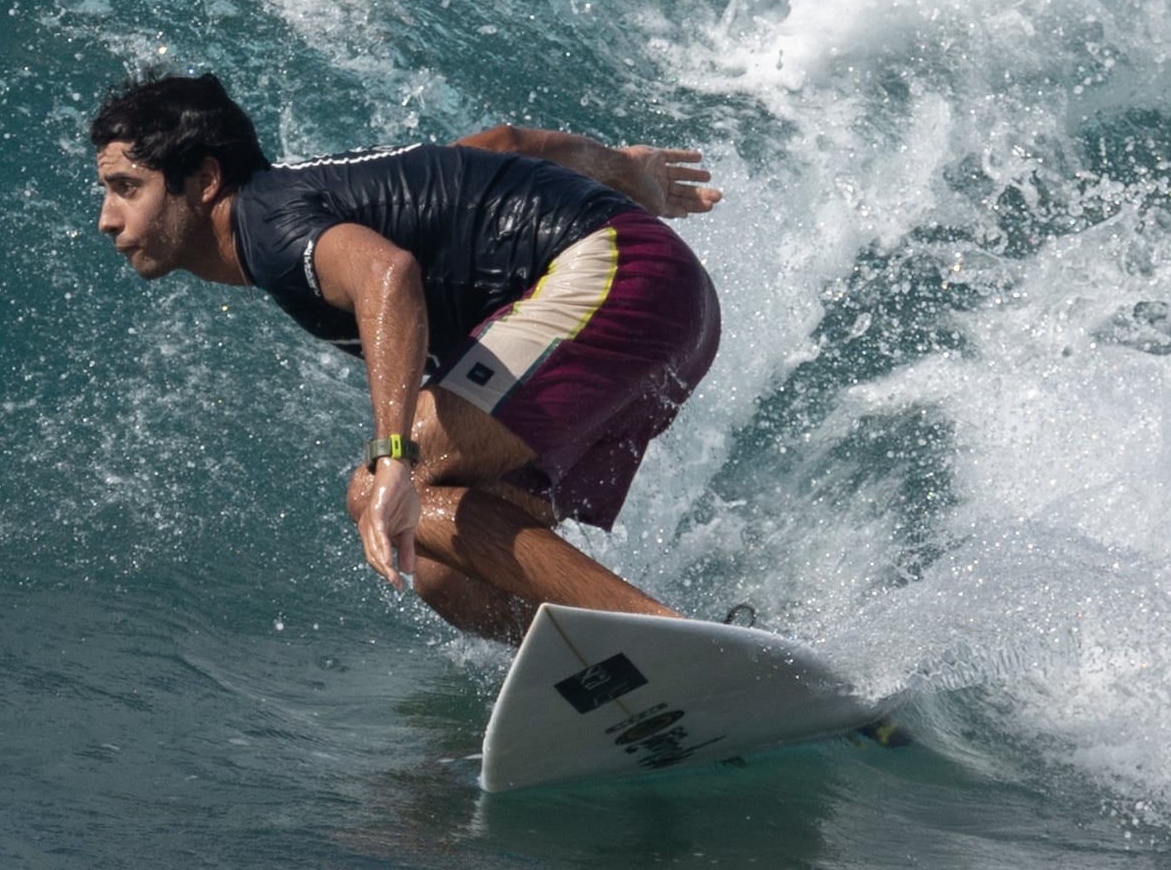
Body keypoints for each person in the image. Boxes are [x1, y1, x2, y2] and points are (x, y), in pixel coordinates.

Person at [88, 72, 723, 643]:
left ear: (204, 181)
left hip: (620, 278)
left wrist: (395, 459)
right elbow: (503, 145)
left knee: (381, 489)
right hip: (669, 300)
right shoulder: (317, 194)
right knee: (447, 571)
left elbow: (386, 275)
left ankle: (673, 638)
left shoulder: (270, 230)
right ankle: (622, 664)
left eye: (126, 188)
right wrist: (621, 167)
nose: (107, 219)